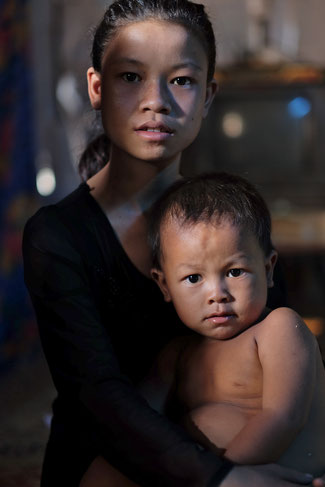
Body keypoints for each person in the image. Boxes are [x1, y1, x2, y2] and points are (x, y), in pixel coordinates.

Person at [22, 0, 325, 486]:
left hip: (244, 450)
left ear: (207, 95)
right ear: (96, 88)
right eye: (130, 78)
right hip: (114, 455)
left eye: (182, 80)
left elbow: (280, 366)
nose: (156, 101)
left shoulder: (235, 220)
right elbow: (99, 398)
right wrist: (223, 479)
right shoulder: (59, 236)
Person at [146, 172, 325, 474]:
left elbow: (283, 418)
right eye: (193, 278)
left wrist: (219, 475)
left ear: (268, 269)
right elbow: (138, 416)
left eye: (234, 272)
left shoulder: (277, 330)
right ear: (164, 286)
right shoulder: (177, 356)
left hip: (287, 479)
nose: (217, 294)